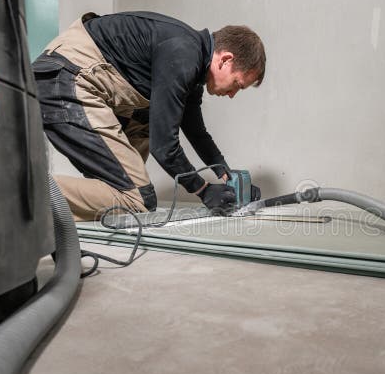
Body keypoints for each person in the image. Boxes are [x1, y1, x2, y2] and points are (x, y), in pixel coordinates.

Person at [32, 11, 265, 221]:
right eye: (238, 84)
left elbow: (196, 131)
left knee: (124, 183)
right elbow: (164, 145)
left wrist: (227, 174)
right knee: (138, 199)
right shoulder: (184, 52)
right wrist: (202, 190)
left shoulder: (192, 62)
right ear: (225, 60)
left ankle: (39, 213)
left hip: (65, 80)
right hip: (65, 82)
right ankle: (22, 190)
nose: (233, 94)